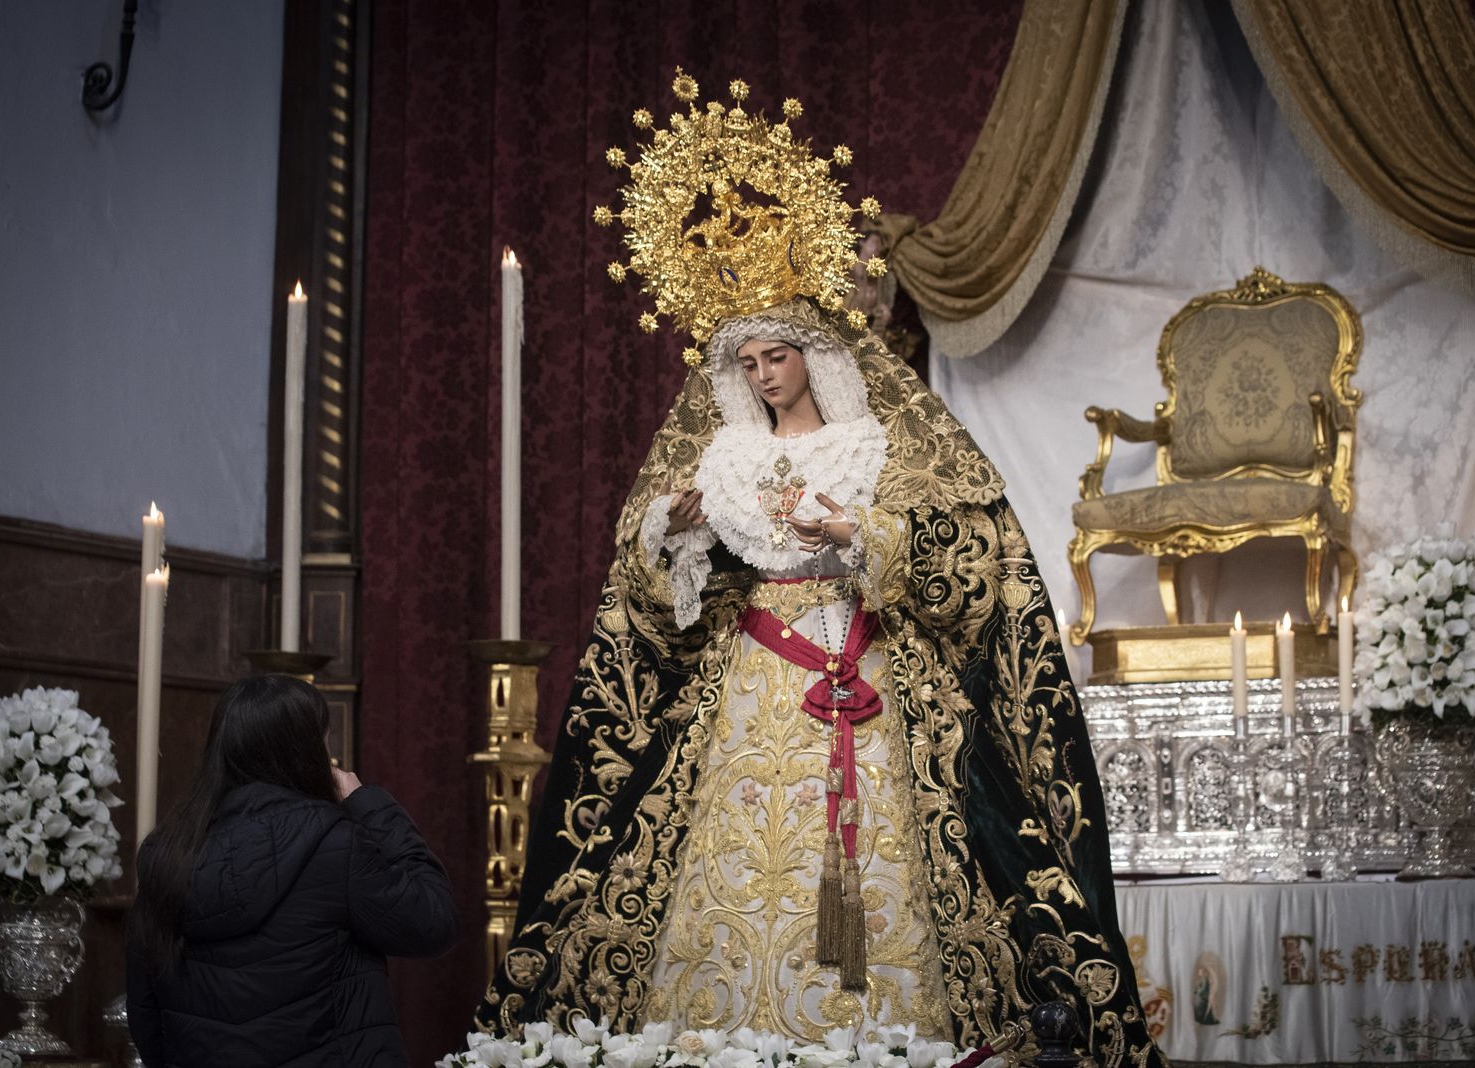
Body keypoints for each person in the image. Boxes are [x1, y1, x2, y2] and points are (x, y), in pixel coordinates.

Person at [477, 70, 1163, 1068]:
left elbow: (970, 564)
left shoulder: (889, 443)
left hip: (866, 671)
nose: (761, 376)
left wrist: (859, 534)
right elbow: (646, 596)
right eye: (745, 362)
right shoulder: (713, 450)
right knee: (726, 873)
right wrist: (674, 529)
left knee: (880, 871)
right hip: (750, 684)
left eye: (775, 357)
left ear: (812, 352)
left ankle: (885, 1040)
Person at [126, 673, 458, 1067]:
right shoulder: (334, 844)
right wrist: (369, 804)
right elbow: (433, 922)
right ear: (307, 751)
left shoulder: (166, 853)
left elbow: (145, 1014)